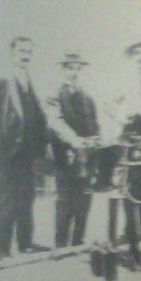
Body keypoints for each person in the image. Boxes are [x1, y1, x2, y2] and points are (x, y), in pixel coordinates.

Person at [0, 35, 48, 258]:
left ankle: (25, 244)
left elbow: (35, 114)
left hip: (27, 153)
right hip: (7, 153)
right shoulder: (0, 79)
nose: (25, 56)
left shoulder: (27, 78)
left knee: (26, 198)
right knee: (6, 201)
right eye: (21, 51)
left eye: (29, 52)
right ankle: (4, 250)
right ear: (12, 53)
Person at [45, 52, 100, 247]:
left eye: (78, 68)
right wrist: (75, 141)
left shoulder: (87, 98)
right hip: (65, 156)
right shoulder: (55, 96)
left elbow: (94, 125)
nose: (74, 72)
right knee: (65, 201)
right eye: (70, 68)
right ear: (63, 70)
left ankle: (78, 242)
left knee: (83, 200)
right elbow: (55, 122)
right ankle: (60, 245)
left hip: (86, 157)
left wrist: (95, 139)